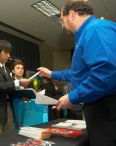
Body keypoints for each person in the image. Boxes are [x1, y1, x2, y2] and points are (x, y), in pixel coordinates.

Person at [38, 1, 116, 146]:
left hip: (107, 107)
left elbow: (107, 72)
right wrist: (51, 74)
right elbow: (77, 74)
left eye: (62, 20)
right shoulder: (87, 33)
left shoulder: (96, 29)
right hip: (101, 107)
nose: (62, 25)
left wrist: (72, 97)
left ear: (72, 14)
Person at [0, 40, 30, 136]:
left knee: (8, 139)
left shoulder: (7, 70)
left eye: (9, 53)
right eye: (6, 52)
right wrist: (17, 82)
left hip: (8, 111)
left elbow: (10, 89)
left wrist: (22, 95)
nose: (9, 56)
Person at [11, 59, 29, 129]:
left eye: (22, 68)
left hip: (27, 110)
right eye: (18, 68)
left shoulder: (27, 81)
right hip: (14, 110)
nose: (21, 70)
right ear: (13, 71)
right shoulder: (10, 82)